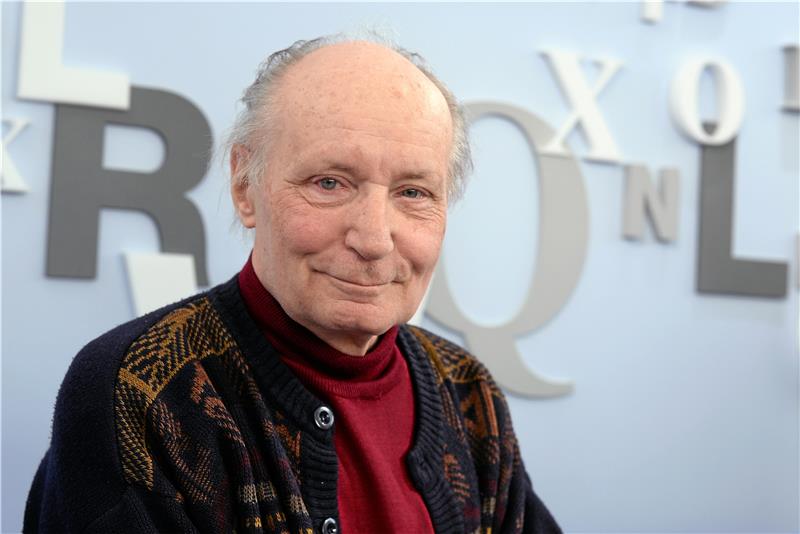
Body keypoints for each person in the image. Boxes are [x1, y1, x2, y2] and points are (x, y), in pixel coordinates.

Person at [24, 35, 562, 534]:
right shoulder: (146, 391)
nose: (374, 239)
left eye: (414, 192)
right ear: (244, 185)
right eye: (329, 183)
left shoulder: (468, 393)